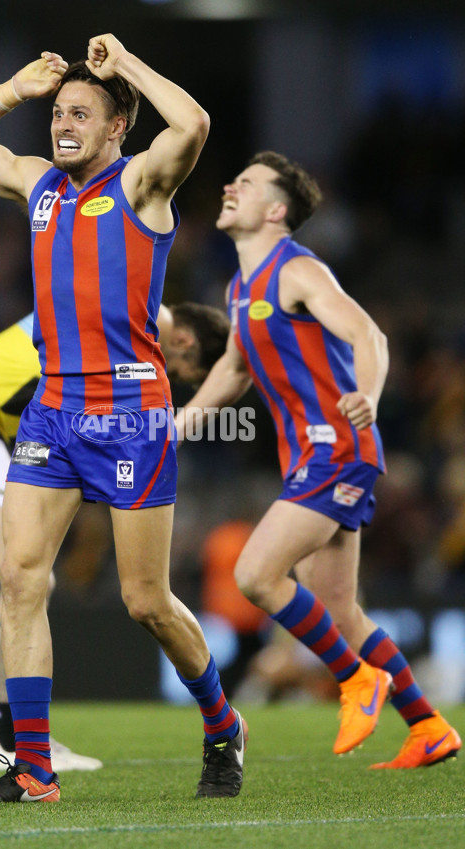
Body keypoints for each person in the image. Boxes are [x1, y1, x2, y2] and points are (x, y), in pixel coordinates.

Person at [0, 35, 245, 802]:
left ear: (115, 129)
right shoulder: (38, 184)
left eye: (81, 113)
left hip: (131, 417)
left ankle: (222, 724)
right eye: (58, 112)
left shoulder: (141, 186)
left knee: (147, 602)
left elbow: (194, 125)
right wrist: (12, 90)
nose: (63, 123)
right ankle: (33, 769)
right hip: (52, 415)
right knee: (20, 579)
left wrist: (125, 66)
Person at [175, 150, 461, 769]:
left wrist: (368, 395)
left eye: (246, 184)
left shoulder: (297, 269)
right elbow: (233, 368)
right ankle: (427, 726)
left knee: (255, 574)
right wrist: (180, 423)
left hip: (335, 448)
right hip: (312, 456)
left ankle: (357, 680)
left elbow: (369, 336)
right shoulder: (240, 286)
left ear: (276, 211)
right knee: (339, 611)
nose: (230, 186)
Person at [0, 302, 229, 770]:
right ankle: (12, 745)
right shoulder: (150, 317)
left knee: (24, 579)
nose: (174, 377)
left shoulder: (108, 313)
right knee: (25, 578)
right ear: (184, 341)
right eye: (183, 372)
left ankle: (14, 742)